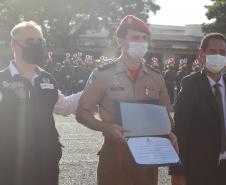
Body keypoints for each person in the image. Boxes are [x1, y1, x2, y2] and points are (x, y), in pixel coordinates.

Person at [76, 15, 177, 185]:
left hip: (148, 156)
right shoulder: (102, 74)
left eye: (144, 38)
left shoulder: (156, 77)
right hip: (115, 154)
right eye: (135, 38)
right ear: (120, 41)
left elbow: (166, 118)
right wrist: (105, 127)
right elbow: (82, 112)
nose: (141, 42)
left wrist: (169, 133)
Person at [0, 21, 81, 185]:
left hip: (46, 162)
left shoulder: (47, 79)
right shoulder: (2, 80)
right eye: (30, 41)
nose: (36, 45)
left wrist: (94, 86)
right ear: (13, 45)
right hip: (10, 164)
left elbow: (64, 106)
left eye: (39, 41)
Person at [174, 32, 226, 185]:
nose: (218, 56)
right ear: (202, 55)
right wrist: (177, 171)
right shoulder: (191, 84)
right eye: (212, 52)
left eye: (222, 52)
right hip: (199, 170)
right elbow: (181, 130)